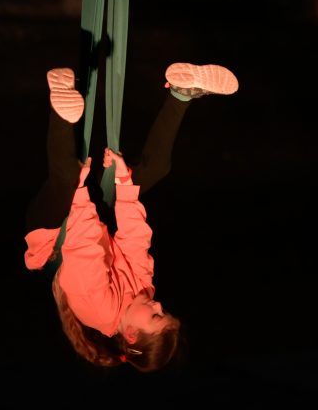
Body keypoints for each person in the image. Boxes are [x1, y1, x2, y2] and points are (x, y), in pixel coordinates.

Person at [24, 63, 238, 372]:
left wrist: (82, 186)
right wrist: (123, 180)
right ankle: (182, 92)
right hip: (92, 222)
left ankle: (61, 110)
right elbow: (135, 237)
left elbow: (83, 247)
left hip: (54, 231)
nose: (158, 304)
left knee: (67, 179)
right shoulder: (144, 291)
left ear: (132, 334)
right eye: (164, 310)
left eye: (156, 315)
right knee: (156, 168)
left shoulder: (96, 309)